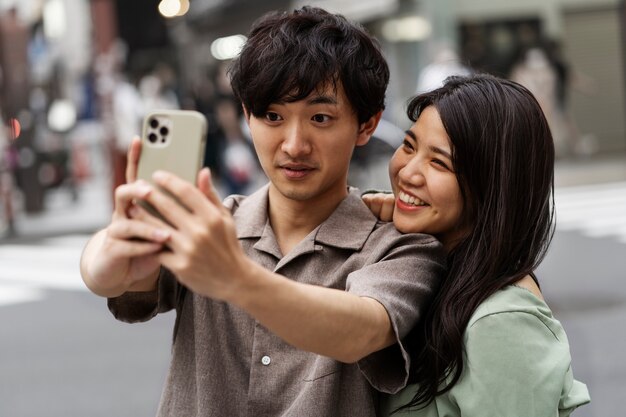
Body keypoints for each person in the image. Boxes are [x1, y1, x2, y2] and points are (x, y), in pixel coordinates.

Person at [79, 7, 445, 417]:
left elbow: (364, 329)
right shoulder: (213, 225)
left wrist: (236, 278)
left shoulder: (399, 245)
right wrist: (111, 253)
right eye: (272, 116)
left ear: (367, 124)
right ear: (246, 115)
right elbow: (115, 279)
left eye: (320, 118)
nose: (293, 145)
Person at [363, 74, 590, 416]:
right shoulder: (440, 274)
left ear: (492, 185)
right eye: (409, 146)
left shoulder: (501, 322)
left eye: (439, 162)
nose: (408, 172)